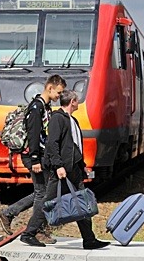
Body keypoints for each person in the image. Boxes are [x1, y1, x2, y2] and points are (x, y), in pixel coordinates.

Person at [0, 75, 66, 246]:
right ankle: (36, 231)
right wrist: (35, 159)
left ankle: (10, 213)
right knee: (42, 193)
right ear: (50, 87)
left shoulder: (45, 106)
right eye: (59, 92)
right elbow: (33, 135)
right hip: (33, 156)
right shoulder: (36, 108)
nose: (60, 95)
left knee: (40, 192)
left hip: (39, 156)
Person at [42, 89, 110, 250]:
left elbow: (75, 146)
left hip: (74, 169)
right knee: (48, 201)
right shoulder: (57, 119)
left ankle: (89, 239)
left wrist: (82, 166)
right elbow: (52, 144)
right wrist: (58, 165)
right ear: (72, 102)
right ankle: (30, 231)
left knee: (82, 202)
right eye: (77, 100)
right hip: (61, 169)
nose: (78, 103)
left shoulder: (73, 120)